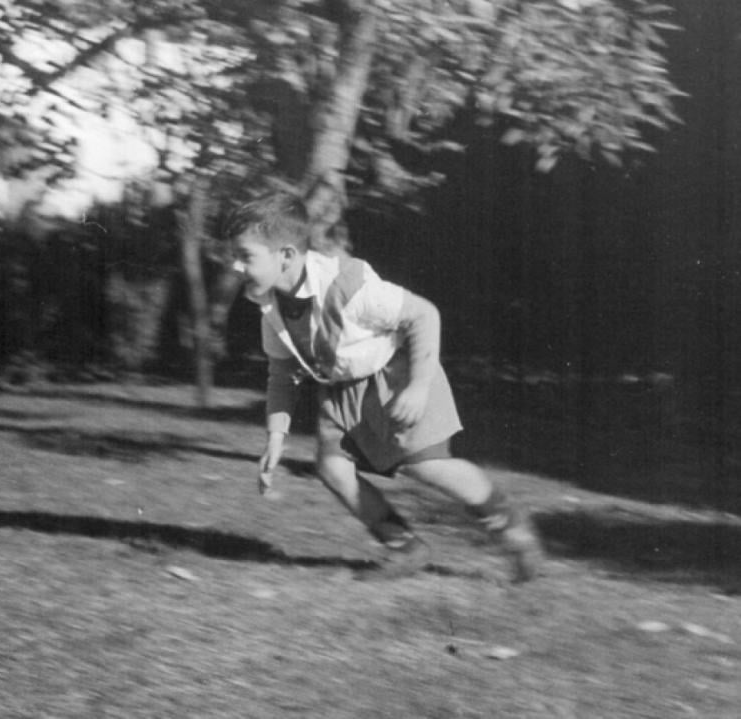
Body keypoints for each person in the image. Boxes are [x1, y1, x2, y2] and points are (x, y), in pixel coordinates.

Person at [224, 190, 543, 582]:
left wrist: (419, 387)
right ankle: (405, 548)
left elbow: (424, 315)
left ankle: (510, 523)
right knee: (332, 468)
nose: (235, 266)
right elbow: (281, 372)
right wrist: (276, 436)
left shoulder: (348, 285)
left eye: (245, 256)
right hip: (341, 390)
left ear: (286, 255)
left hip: (395, 377)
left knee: (429, 468)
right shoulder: (270, 306)